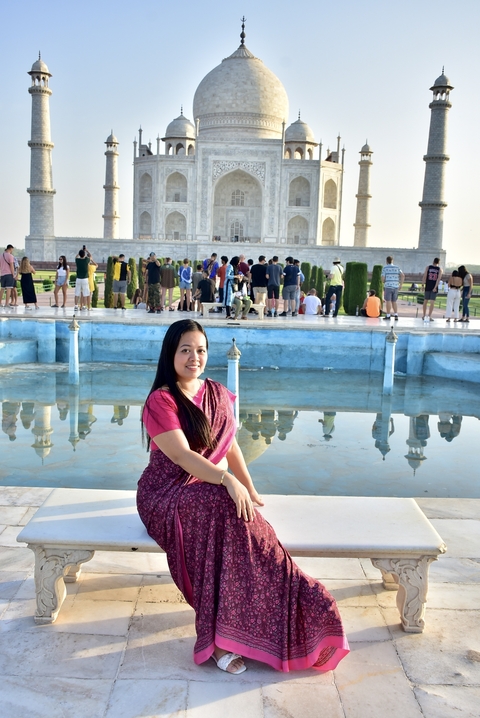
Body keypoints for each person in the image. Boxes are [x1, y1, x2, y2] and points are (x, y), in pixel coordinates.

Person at [137, 319, 349, 675]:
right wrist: (227, 482)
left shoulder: (217, 393)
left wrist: (247, 486)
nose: (194, 357)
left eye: (201, 350)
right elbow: (182, 456)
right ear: (170, 354)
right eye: (185, 350)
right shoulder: (162, 399)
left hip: (207, 488)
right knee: (222, 511)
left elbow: (231, 444)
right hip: (166, 493)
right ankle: (217, 639)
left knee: (243, 529)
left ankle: (298, 596)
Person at [381, 256, 404, 321]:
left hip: (388, 286)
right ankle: (396, 314)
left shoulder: (385, 268)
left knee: (388, 301)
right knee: (394, 301)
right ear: (392, 260)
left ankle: (388, 315)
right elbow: (402, 275)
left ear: (386, 261)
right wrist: (401, 284)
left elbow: (382, 278)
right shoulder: (397, 267)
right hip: (396, 286)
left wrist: (384, 281)